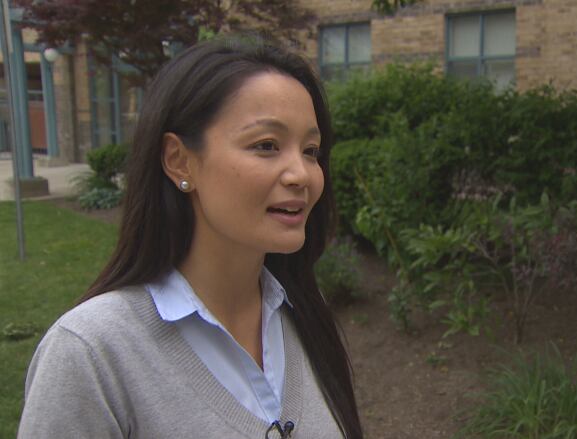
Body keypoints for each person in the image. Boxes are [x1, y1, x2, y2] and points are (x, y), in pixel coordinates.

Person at [18, 36, 362, 439]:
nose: (301, 174)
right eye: (266, 145)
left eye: (310, 150)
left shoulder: (303, 315)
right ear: (179, 160)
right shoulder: (90, 352)